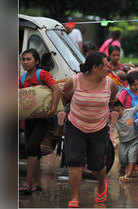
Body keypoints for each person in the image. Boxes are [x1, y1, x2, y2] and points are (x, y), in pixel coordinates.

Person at [62, 52, 118, 207]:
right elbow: (65, 96)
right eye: (105, 65)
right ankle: (74, 197)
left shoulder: (110, 84)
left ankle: (101, 183)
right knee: (75, 162)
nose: (109, 67)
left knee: (97, 165)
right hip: (75, 126)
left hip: (99, 128)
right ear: (94, 67)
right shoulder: (74, 81)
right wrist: (67, 111)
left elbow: (112, 101)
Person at [18, 49, 61, 195]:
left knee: (31, 147)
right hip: (29, 120)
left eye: (28, 59)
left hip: (44, 119)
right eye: (23, 59)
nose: (25, 62)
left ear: (36, 61)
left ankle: (27, 183)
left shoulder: (42, 74)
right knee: (33, 150)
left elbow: (56, 89)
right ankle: (37, 183)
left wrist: (54, 107)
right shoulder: (22, 79)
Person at [118, 71, 138, 174]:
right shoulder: (124, 93)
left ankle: (136, 162)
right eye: (132, 85)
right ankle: (124, 163)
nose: (135, 87)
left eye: (136, 84)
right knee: (126, 143)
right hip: (128, 124)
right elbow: (119, 105)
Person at [112, 100, 138, 182]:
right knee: (123, 159)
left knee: (132, 156)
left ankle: (128, 174)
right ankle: (123, 169)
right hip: (123, 142)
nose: (117, 114)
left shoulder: (129, 112)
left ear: (122, 108)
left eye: (118, 111)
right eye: (114, 112)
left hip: (134, 139)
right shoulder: (113, 118)